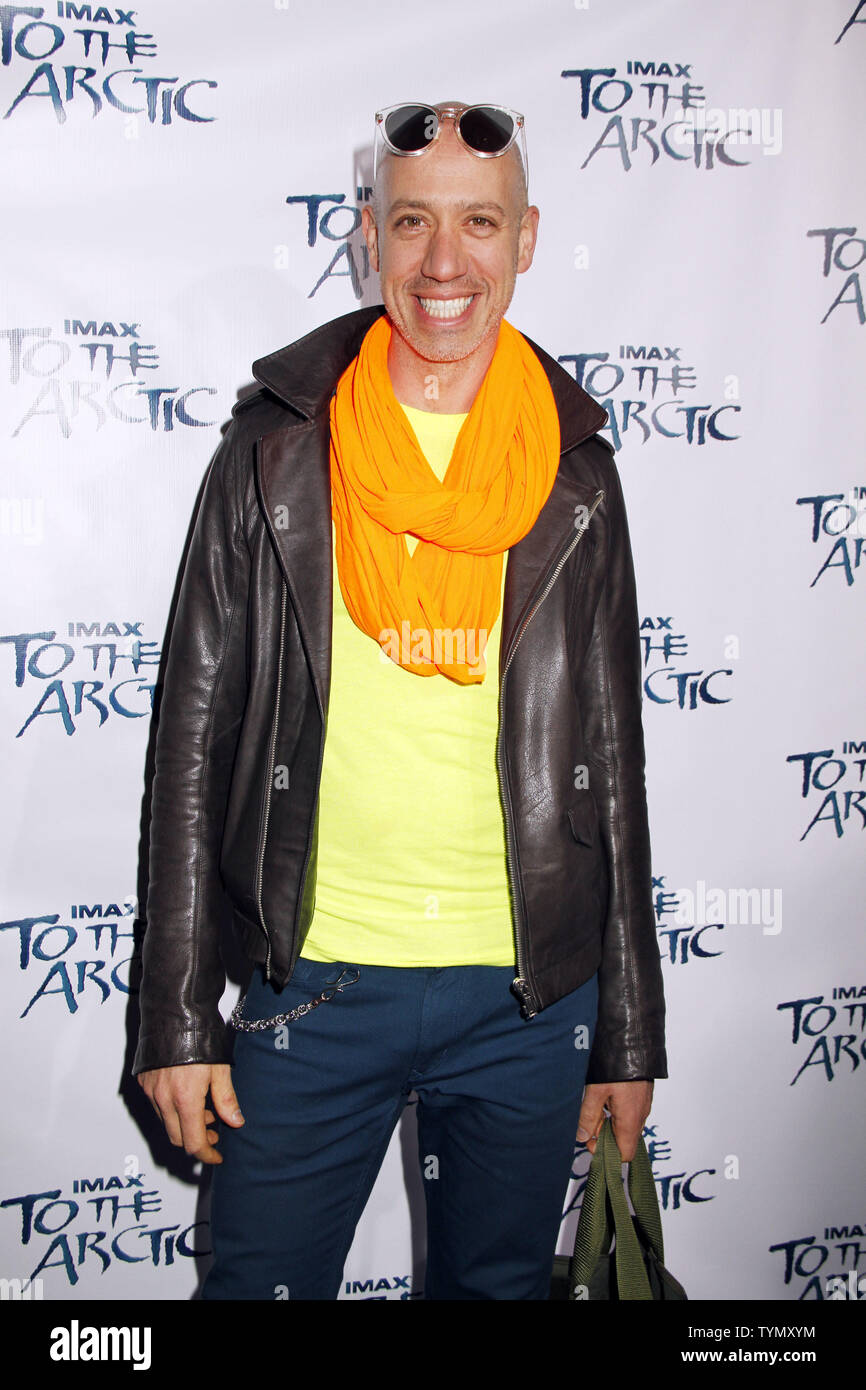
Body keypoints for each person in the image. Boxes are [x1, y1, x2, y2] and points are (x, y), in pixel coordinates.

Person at [133, 100, 667, 1301]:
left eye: (478, 224)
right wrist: (174, 1013)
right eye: (411, 220)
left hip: (529, 993)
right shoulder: (276, 450)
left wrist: (624, 1032)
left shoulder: (576, 469)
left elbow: (611, 755)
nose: (443, 262)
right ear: (366, 235)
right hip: (310, 978)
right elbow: (190, 745)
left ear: (524, 240)